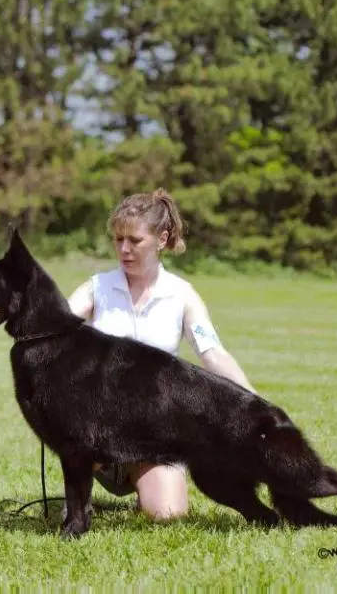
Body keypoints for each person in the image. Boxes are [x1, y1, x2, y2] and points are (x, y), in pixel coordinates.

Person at [67, 188, 255, 522]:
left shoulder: (181, 295)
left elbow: (212, 353)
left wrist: (254, 403)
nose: (124, 249)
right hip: (97, 428)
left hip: (155, 432)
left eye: (134, 240)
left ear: (162, 239)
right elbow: (57, 325)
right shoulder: (98, 287)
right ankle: (79, 499)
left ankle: (144, 487)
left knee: (167, 515)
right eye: (118, 239)